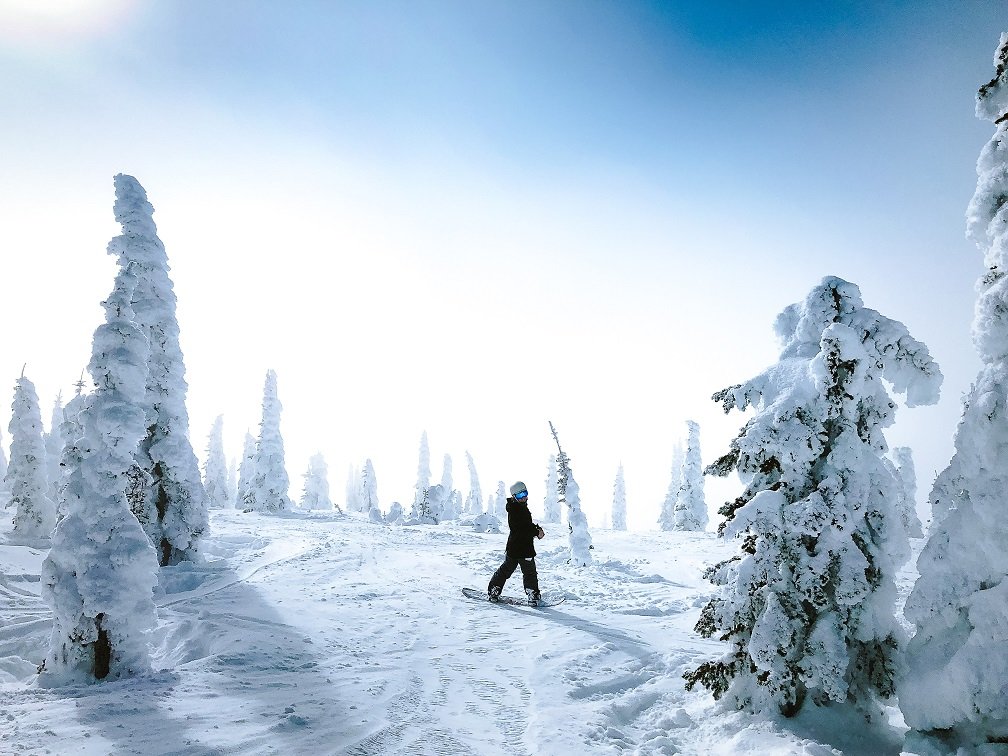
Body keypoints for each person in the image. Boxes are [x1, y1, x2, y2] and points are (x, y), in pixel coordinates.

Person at [488, 481, 546, 605]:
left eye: (525, 493)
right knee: (529, 572)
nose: (524, 497)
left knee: (506, 570)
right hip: (524, 549)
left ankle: (494, 589)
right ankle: (533, 595)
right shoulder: (516, 510)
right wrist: (536, 532)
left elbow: (524, 525)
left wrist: (536, 528)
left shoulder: (516, 507)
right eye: (520, 495)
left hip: (513, 549)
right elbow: (521, 529)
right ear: (514, 496)